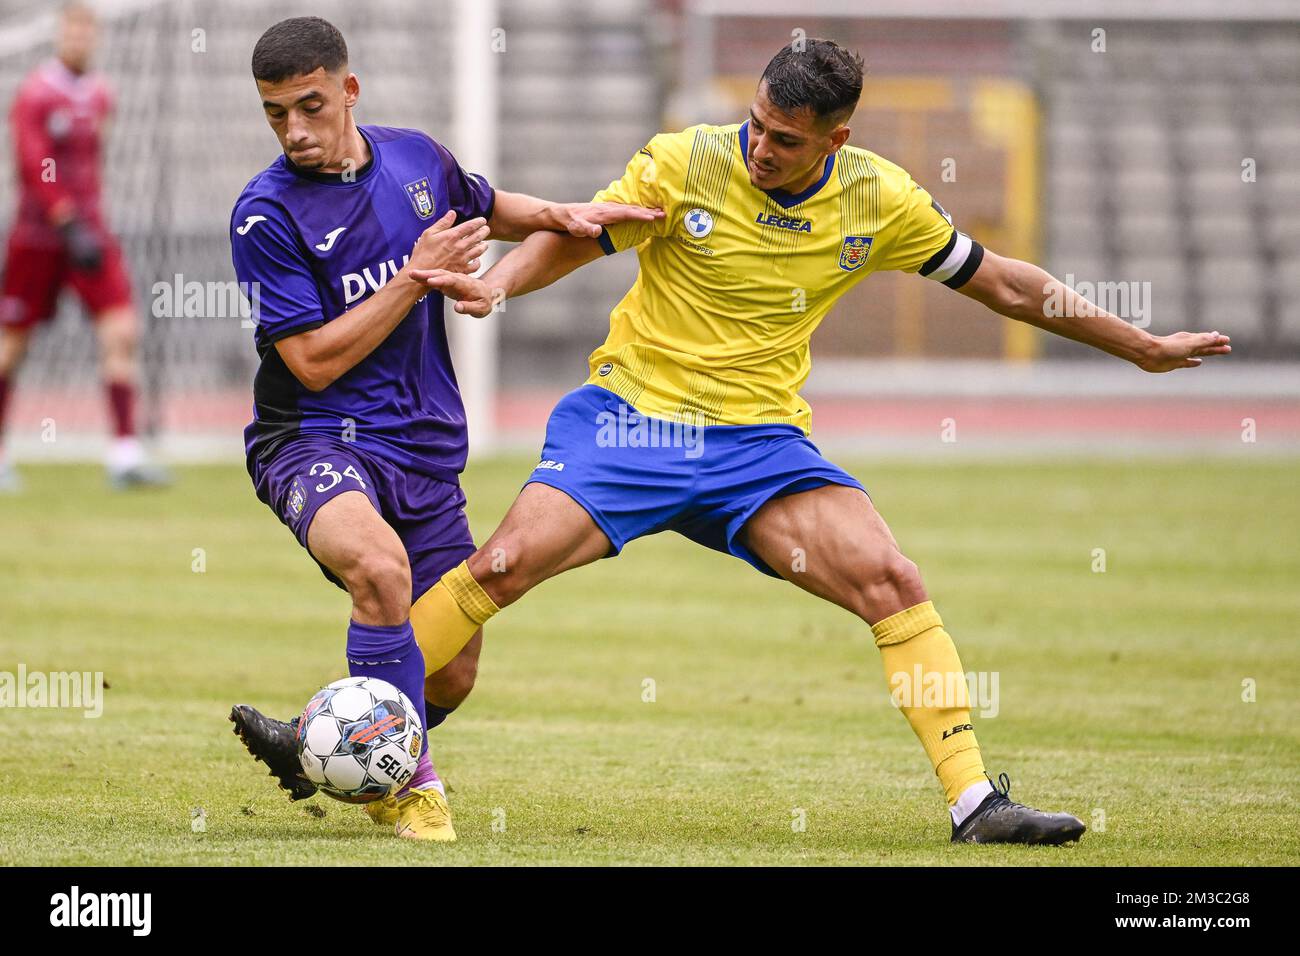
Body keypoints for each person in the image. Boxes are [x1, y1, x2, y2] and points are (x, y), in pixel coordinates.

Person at [409, 38, 1232, 845]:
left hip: (757, 446)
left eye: (786, 139)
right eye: (757, 124)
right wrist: (497, 284)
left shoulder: (881, 199)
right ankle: (331, 733)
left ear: (837, 139)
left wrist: (1142, 346)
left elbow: (1009, 283)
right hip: (632, 419)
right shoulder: (686, 160)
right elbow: (581, 233)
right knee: (501, 566)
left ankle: (974, 802)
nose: (761, 148)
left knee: (891, 578)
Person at [225, 16, 660, 842]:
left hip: (421, 448)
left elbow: (489, 208)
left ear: (348, 90)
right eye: (276, 113)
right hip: (314, 437)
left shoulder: (417, 158)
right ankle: (414, 793)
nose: (295, 130)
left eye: (310, 106)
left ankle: (325, 750)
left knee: (454, 672)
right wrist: (414, 280)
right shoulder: (265, 216)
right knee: (378, 569)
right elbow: (313, 362)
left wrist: (558, 213)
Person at [0, 2, 168, 491]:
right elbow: (34, 164)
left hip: (91, 233)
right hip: (39, 237)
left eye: (85, 32)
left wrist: (86, 223)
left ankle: (124, 453)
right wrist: (65, 220)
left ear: (94, 37)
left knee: (121, 330)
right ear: (59, 36)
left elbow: (91, 165)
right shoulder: (35, 94)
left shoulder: (99, 95)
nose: (79, 40)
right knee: (13, 342)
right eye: (71, 31)